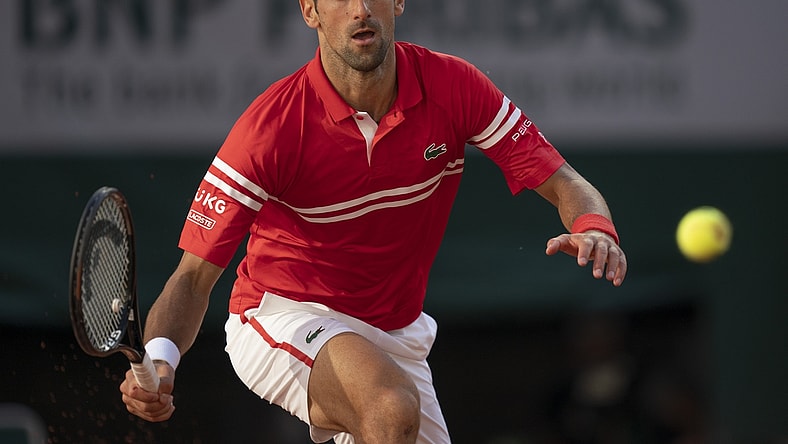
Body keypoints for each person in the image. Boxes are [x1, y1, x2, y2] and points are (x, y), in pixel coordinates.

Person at [119, 0, 628, 442]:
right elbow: (192, 277)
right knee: (388, 408)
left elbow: (565, 182)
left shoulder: (454, 86)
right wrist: (162, 359)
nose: (360, 10)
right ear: (310, 12)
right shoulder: (270, 129)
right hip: (281, 313)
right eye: (339, 0)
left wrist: (595, 228)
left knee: (390, 406)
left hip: (395, 333)